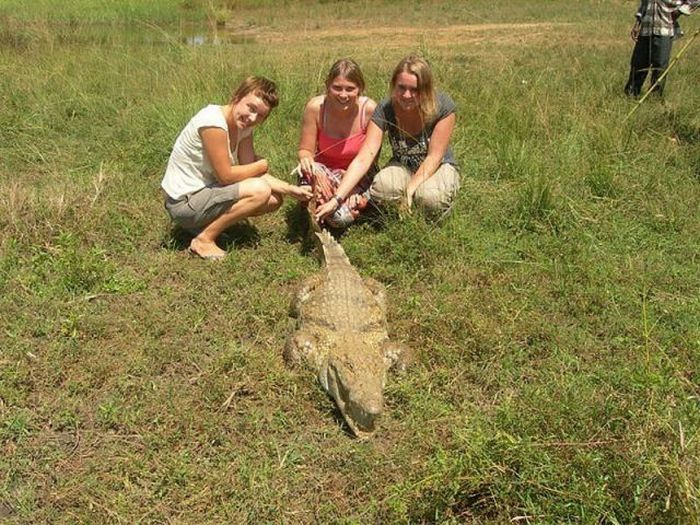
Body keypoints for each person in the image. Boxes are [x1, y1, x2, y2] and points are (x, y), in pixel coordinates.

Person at [161, 76, 311, 259]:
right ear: (237, 96)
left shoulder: (243, 127)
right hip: (183, 202)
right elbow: (226, 176)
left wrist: (290, 189)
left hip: (205, 192)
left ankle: (201, 226)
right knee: (260, 191)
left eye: (261, 115)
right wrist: (261, 165)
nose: (253, 118)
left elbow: (249, 169)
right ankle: (203, 240)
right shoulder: (213, 122)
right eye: (251, 108)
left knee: (274, 199)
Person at [315, 55, 459, 224]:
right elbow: (364, 158)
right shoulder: (385, 108)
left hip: (438, 167)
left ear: (425, 89)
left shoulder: (442, 106)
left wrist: (410, 190)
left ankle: (438, 207)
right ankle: (402, 207)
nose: (407, 95)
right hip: (404, 165)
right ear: (393, 86)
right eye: (401, 88)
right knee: (381, 187)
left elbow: (433, 157)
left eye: (414, 89)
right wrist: (336, 200)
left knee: (429, 197)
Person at [296, 58, 377, 228]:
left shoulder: (369, 111)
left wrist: (353, 187)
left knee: (340, 219)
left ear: (360, 89)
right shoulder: (316, 108)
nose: (343, 95)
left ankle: (355, 201)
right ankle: (319, 203)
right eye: (337, 88)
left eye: (350, 89)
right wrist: (312, 167)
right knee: (307, 179)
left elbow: (370, 160)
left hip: (358, 175)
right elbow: (305, 150)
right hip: (325, 170)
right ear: (328, 87)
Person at [625, 0, 696, 97]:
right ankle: (631, 94)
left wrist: (679, 11)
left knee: (660, 65)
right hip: (646, 28)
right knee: (638, 63)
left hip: (664, 29)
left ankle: (655, 98)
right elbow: (644, 4)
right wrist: (638, 22)